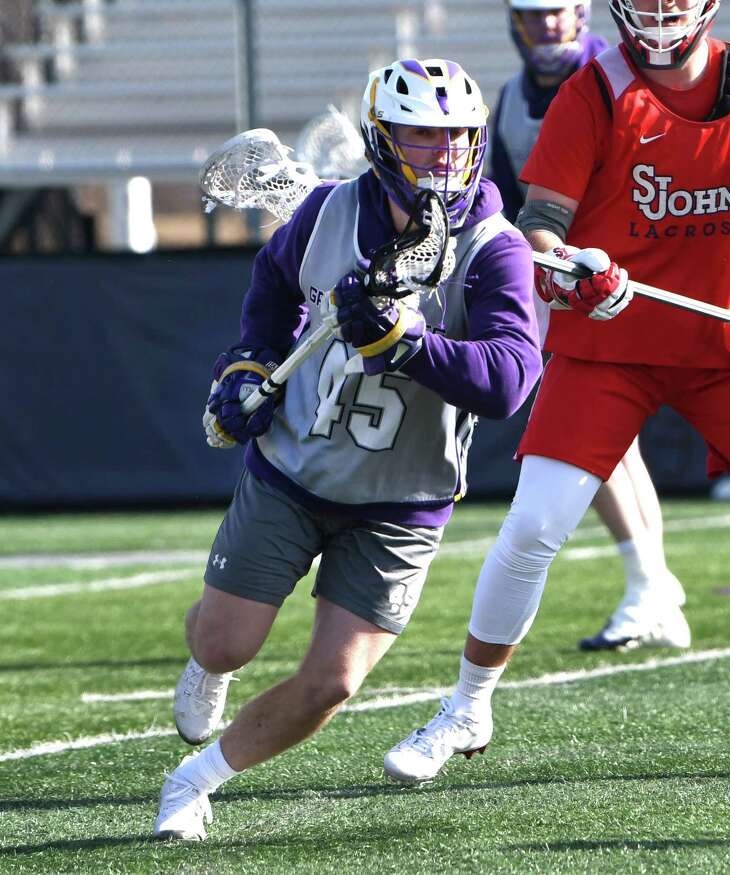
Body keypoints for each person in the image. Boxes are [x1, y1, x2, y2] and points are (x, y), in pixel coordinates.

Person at [383, 0, 730, 785]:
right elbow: (540, 224)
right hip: (608, 348)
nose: (661, 12)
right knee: (533, 524)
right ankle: (466, 705)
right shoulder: (594, 91)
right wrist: (570, 266)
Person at [152, 57, 542, 841]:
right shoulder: (326, 212)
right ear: (381, 137)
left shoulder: (494, 248)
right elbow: (270, 298)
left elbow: (509, 380)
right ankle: (208, 667)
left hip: (402, 499)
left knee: (330, 682)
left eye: (458, 137)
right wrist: (247, 367)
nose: (444, 153)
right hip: (297, 467)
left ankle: (193, 781)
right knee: (226, 639)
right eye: (421, 136)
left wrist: (409, 342)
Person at [491, 0, 689, 651]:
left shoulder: (617, 78)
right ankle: (653, 587)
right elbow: (499, 204)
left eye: (555, 12)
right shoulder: (509, 98)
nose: (545, 25)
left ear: (580, 14)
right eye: (531, 14)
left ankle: (649, 586)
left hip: (617, 282)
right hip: (555, 287)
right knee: (611, 444)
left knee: (586, 435)